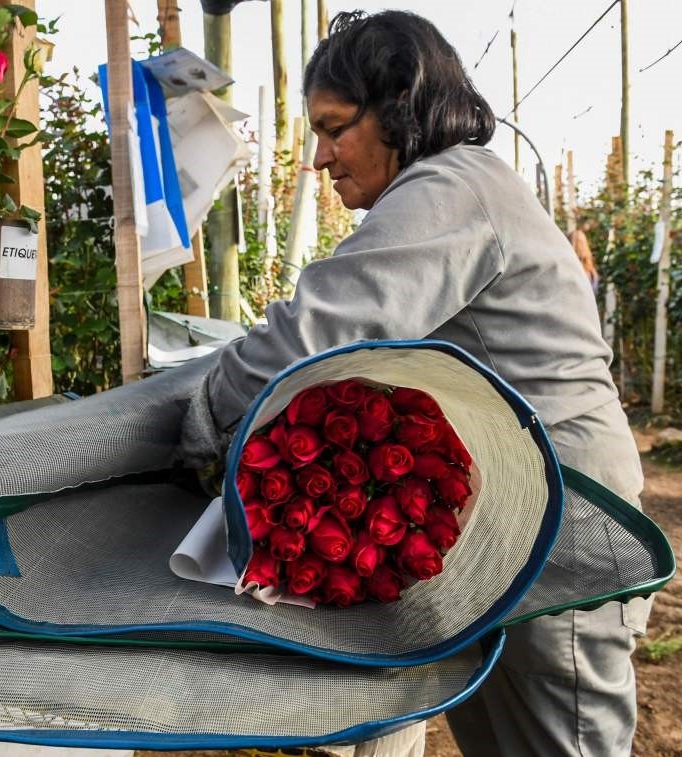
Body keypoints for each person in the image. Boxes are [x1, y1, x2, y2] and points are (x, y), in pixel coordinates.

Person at [182, 9, 649, 756]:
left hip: (567, 523)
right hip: (511, 519)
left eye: (335, 127)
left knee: (567, 742)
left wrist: (195, 417)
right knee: (499, 735)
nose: (322, 157)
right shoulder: (438, 193)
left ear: (399, 104)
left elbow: (318, 328)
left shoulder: (453, 186)